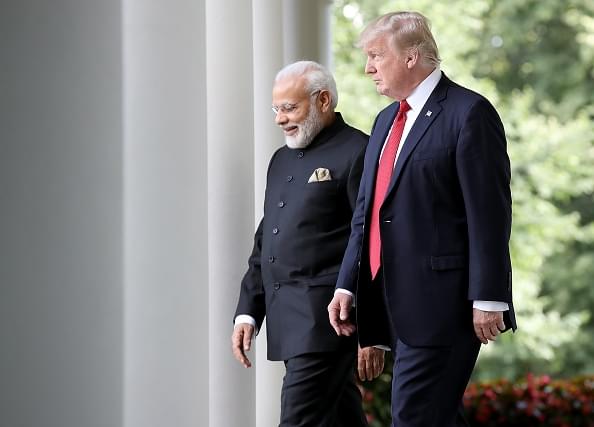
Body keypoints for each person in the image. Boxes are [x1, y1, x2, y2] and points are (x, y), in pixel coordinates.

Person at [327, 12, 516, 427]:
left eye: (376, 56)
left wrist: (488, 297)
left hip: (445, 306)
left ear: (411, 57)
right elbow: (367, 215)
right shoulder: (382, 122)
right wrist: (348, 284)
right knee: (438, 416)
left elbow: (489, 214)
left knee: (413, 416)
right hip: (390, 302)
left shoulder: (469, 113)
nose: (368, 68)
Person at [231, 60, 385, 427]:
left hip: (328, 324)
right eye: (276, 109)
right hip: (288, 320)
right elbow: (267, 239)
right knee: (342, 419)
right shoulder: (280, 160)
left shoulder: (359, 151)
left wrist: (374, 330)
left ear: (323, 101)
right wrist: (248, 311)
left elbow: (372, 242)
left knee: (297, 421)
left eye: (290, 107)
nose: (280, 119)